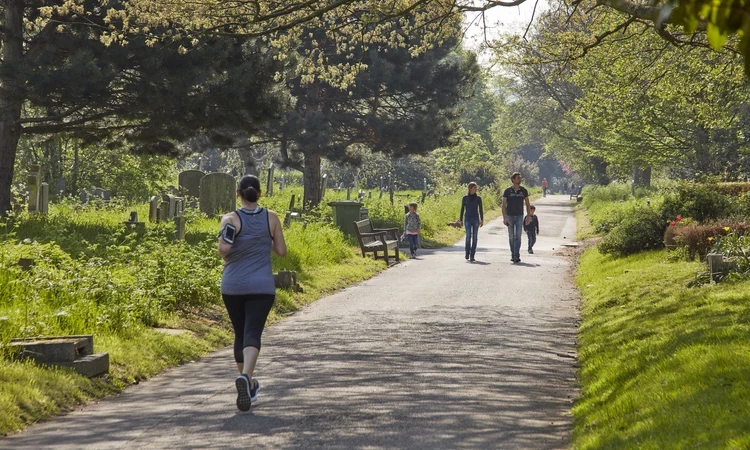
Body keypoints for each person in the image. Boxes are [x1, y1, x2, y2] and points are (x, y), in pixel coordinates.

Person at [218, 175, 287, 412]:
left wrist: (234, 248)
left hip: (233, 286)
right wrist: (262, 241)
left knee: (240, 333)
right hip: (261, 287)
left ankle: (247, 383)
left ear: (238, 193)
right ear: (259, 193)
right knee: (253, 331)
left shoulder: (230, 219)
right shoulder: (272, 218)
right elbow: (281, 251)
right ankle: (247, 378)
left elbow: (223, 249)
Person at [503, 172, 531, 263]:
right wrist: (504, 217)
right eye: (518, 178)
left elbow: (527, 203)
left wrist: (528, 216)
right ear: (513, 179)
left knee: (518, 236)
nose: (519, 179)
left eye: (520, 178)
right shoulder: (507, 191)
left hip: (519, 215)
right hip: (509, 215)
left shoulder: (523, 190)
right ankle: (513, 253)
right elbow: (503, 204)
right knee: (511, 237)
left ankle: (516, 255)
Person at [459, 182, 484, 262]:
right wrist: (461, 219)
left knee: (475, 237)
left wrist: (482, 219)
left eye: (476, 188)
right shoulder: (465, 198)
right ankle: (467, 252)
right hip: (467, 218)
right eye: (474, 188)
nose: (476, 189)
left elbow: (480, 209)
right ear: (470, 188)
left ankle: (472, 255)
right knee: (468, 236)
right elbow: (462, 209)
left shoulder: (478, 198)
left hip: (476, 218)